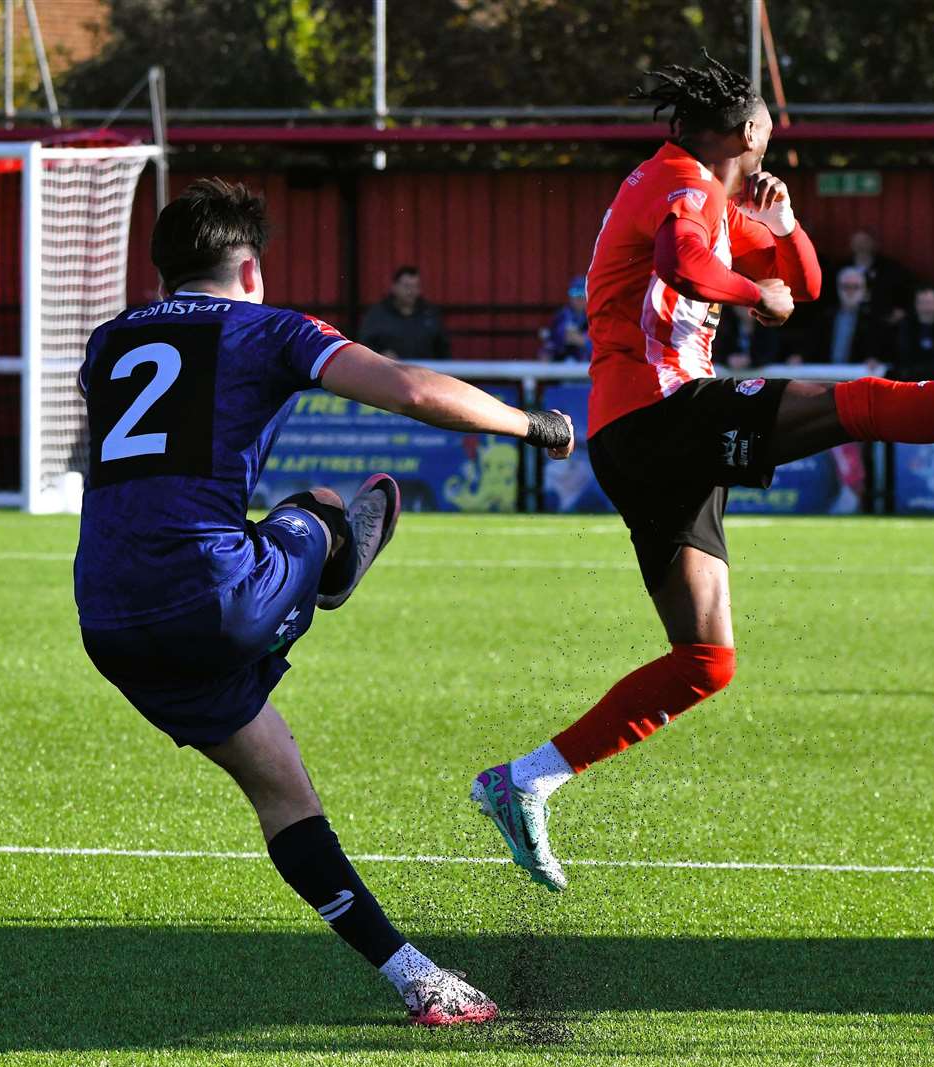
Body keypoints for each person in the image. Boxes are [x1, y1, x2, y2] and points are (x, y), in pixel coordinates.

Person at [467, 53, 934, 894]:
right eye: (768, 128)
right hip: (660, 413)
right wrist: (757, 296)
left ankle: (526, 778)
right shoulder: (681, 184)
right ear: (750, 130)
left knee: (705, 661)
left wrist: (781, 230)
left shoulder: (701, 190)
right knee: (865, 403)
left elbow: (809, 284)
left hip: (641, 437)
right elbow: (689, 264)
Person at [74, 180, 574, 1023]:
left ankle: (420, 980)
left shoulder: (108, 341)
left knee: (283, 792)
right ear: (250, 268)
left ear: (161, 275)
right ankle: (331, 564)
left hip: (110, 619)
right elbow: (411, 391)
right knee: (329, 506)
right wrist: (532, 427)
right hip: (216, 595)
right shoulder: (267, 325)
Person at [358, 265, 450, 359]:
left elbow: (443, 349)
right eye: (407, 286)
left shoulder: (430, 314)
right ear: (394, 287)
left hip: (424, 371)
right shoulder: (377, 314)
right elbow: (365, 346)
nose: (411, 291)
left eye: (416, 286)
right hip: (387, 371)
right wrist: (380, 355)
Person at [819, 266, 885, 366]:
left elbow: (879, 350)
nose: (850, 291)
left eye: (856, 287)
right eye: (846, 287)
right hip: (825, 375)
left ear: (864, 290)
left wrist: (873, 359)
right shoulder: (826, 316)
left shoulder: (873, 319)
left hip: (856, 377)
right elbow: (812, 345)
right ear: (838, 288)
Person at [846, 227, 913, 325]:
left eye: (865, 241)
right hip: (850, 319)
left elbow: (907, 291)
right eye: (857, 242)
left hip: (881, 321)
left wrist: (902, 310)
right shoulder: (842, 268)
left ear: (873, 244)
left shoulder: (890, 269)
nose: (860, 246)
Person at [545, 275, 592, 362]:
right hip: (562, 365)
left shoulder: (593, 317)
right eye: (575, 293)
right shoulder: (562, 316)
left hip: (587, 366)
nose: (579, 298)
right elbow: (554, 340)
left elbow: (596, 344)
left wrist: (582, 340)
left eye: (582, 294)